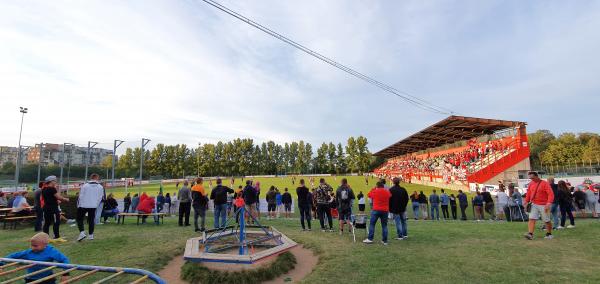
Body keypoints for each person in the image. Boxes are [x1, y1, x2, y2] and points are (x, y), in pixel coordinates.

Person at [2, 232, 70, 283]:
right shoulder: (29, 252)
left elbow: (64, 260)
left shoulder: (51, 251)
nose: (32, 247)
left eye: (35, 246)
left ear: (45, 245)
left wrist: (65, 274)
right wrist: (1, 264)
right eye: (31, 245)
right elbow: (11, 257)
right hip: (31, 279)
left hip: (48, 279)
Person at [524, 171, 555, 240]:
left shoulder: (545, 184)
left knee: (546, 220)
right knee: (531, 218)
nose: (531, 179)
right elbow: (528, 193)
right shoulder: (531, 184)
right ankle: (530, 234)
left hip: (544, 205)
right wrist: (526, 202)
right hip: (534, 204)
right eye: (530, 178)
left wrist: (548, 203)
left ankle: (549, 233)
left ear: (536, 176)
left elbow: (550, 194)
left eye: (532, 178)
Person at [76, 173, 104, 241]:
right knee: (91, 220)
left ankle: (82, 232)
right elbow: (100, 198)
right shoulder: (100, 187)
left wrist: (79, 205)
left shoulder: (85, 186)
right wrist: (96, 204)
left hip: (83, 205)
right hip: (93, 205)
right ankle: (91, 235)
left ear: (91, 178)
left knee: (79, 219)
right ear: (97, 178)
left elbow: (81, 196)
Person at [42, 176, 69, 242]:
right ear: (51, 181)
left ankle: (46, 238)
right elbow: (58, 197)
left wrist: (56, 200)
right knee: (56, 222)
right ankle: (57, 237)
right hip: (53, 208)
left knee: (47, 223)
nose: (56, 182)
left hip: (46, 208)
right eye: (55, 181)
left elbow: (50, 198)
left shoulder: (44, 189)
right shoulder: (52, 189)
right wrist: (65, 199)